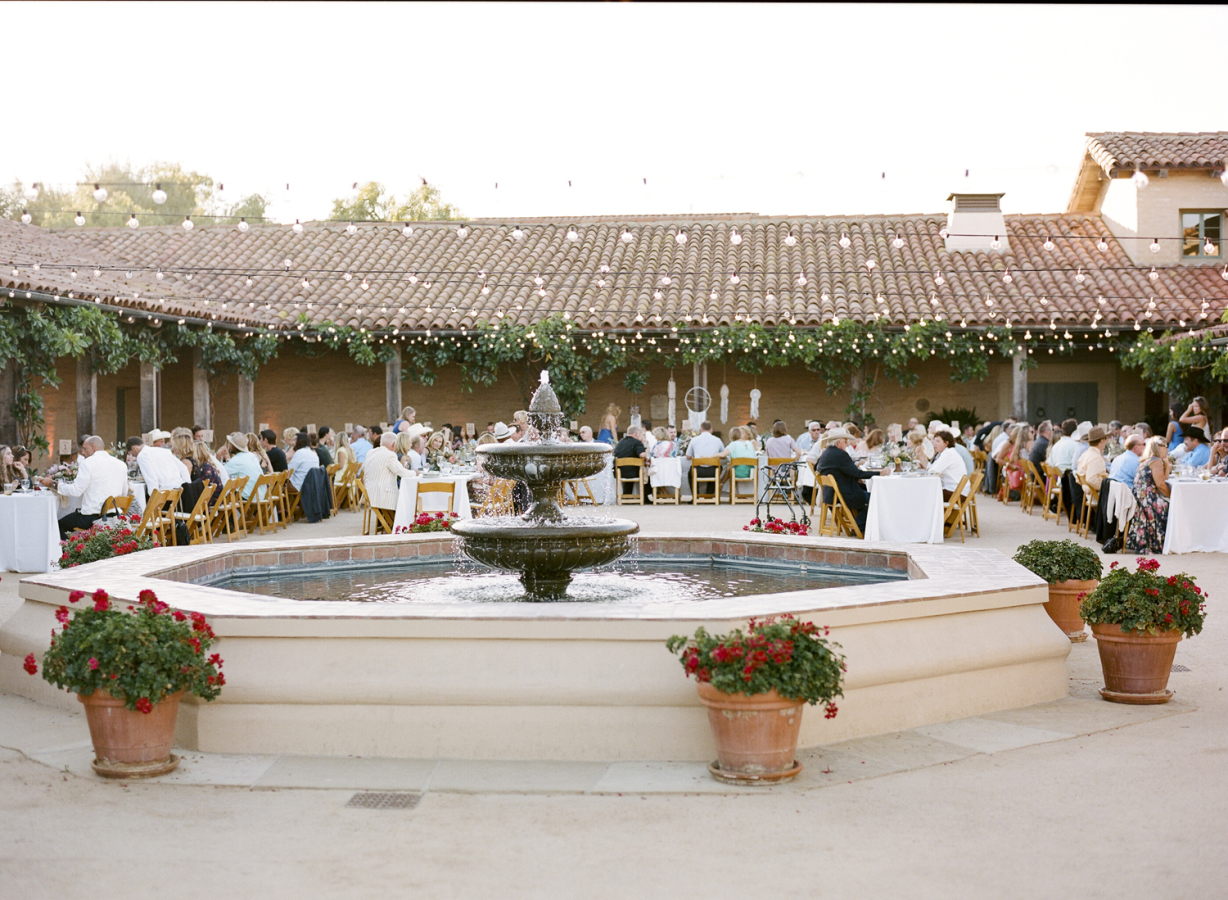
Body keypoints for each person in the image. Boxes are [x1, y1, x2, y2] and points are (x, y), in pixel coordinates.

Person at [45, 436, 130, 539]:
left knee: (60, 525)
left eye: (85, 449)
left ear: (93, 447)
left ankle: (68, 554)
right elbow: (124, 493)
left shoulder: (88, 463)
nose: (82, 453)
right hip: (114, 515)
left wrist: (54, 484)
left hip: (92, 517)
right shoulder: (121, 464)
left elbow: (76, 491)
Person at [816, 426, 891, 533]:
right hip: (845, 494)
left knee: (870, 496)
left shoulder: (826, 452)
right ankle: (858, 526)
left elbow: (823, 469)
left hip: (831, 494)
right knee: (878, 498)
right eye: (845, 441)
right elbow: (858, 473)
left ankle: (862, 526)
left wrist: (855, 477)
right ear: (838, 443)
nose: (848, 444)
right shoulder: (841, 454)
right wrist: (880, 473)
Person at [1125, 438, 1171, 555]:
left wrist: (1166, 465)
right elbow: (1161, 484)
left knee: (1167, 503)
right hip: (1147, 498)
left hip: (1140, 497)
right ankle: (1164, 541)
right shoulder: (1156, 462)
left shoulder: (1146, 461)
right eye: (1165, 446)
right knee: (1169, 506)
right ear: (1159, 448)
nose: (1167, 449)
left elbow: (1162, 481)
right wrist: (1172, 497)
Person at [362, 432, 412, 514]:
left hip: (369, 494)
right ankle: (397, 525)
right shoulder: (390, 455)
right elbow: (402, 472)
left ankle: (387, 524)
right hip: (382, 496)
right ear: (393, 444)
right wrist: (416, 473)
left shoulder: (371, 452)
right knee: (407, 499)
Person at [929, 430, 970, 502]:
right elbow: (932, 469)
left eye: (938, 441)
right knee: (929, 493)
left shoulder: (948, 454)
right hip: (956, 491)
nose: (934, 444)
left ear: (946, 443)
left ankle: (933, 513)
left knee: (927, 494)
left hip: (956, 493)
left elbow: (933, 471)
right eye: (934, 441)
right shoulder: (946, 453)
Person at [686, 421, 725, 492]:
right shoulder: (717, 440)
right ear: (711, 430)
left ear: (701, 430)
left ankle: (696, 495)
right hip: (713, 471)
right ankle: (709, 495)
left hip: (698, 471)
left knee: (690, 473)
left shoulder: (694, 440)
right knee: (718, 468)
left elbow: (688, 456)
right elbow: (724, 455)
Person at [222, 433, 264, 500]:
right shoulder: (252, 456)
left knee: (223, 492)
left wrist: (218, 455)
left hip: (249, 497)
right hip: (260, 495)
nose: (229, 445)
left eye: (230, 443)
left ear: (233, 446)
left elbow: (221, 474)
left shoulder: (236, 460)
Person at [613, 427, 648, 497]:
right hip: (633, 473)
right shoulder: (637, 442)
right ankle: (645, 497)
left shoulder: (620, 442)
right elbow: (642, 455)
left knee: (629, 468)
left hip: (619, 472)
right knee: (648, 473)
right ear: (636, 434)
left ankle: (627, 495)